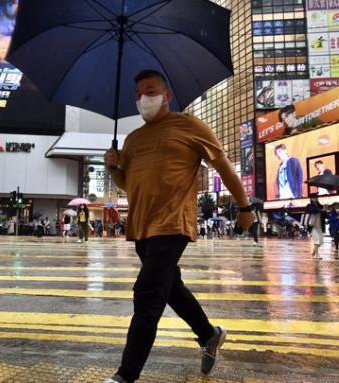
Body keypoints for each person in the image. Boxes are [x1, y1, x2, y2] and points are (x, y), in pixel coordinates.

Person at [102, 69, 254, 383]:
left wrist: (244, 207)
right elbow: (129, 184)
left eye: (151, 90)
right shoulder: (133, 138)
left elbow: (223, 166)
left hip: (173, 223)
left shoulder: (190, 126)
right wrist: (113, 166)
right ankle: (209, 335)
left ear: (167, 95)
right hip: (141, 228)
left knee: (147, 293)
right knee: (170, 287)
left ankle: (125, 376)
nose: (144, 98)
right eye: (138, 94)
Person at [304, 193, 326, 258]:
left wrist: (325, 210)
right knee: (316, 239)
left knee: (321, 240)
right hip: (313, 225)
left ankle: (314, 250)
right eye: (313, 198)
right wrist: (320, 210)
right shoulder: (309, 206)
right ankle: (317, 255)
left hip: (320, 225)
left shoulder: (320, 206)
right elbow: (313, 210)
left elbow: (325, 215)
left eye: (316, 197)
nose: (315, 199)